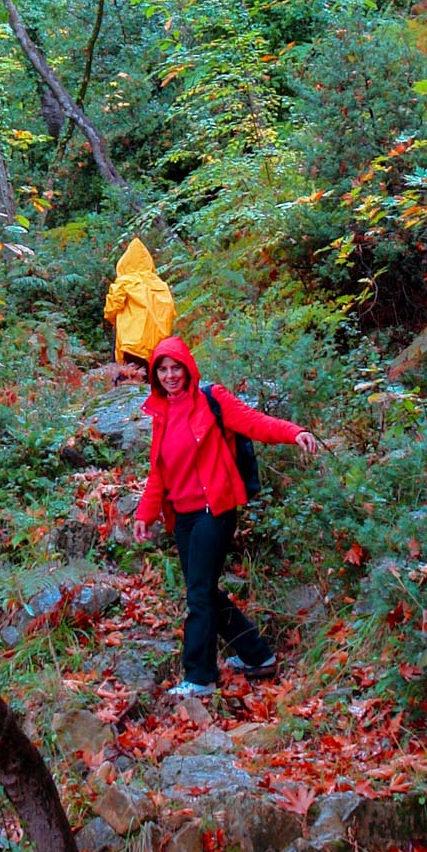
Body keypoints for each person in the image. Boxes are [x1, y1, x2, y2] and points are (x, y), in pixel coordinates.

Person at [132, 335, 318, 697]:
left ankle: (199, 677)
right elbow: (159, 471)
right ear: (155, 376)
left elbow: (254, 422)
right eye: (163, 370)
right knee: (204, 592)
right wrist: (146, 512)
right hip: (182, 518)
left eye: (176, 368)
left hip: (213, 511)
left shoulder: (211, 400)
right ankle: (258, 656)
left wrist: (294, 433)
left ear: (188, 368)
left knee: (198, 596)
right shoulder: (161, 412)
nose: (171, 376)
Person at [103, 238, 177, 377]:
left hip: (131, 344)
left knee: (129, 385)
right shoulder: (161, 285)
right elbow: (170, 313)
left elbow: (110, 311)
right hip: (158, 345)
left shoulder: (123, 283)